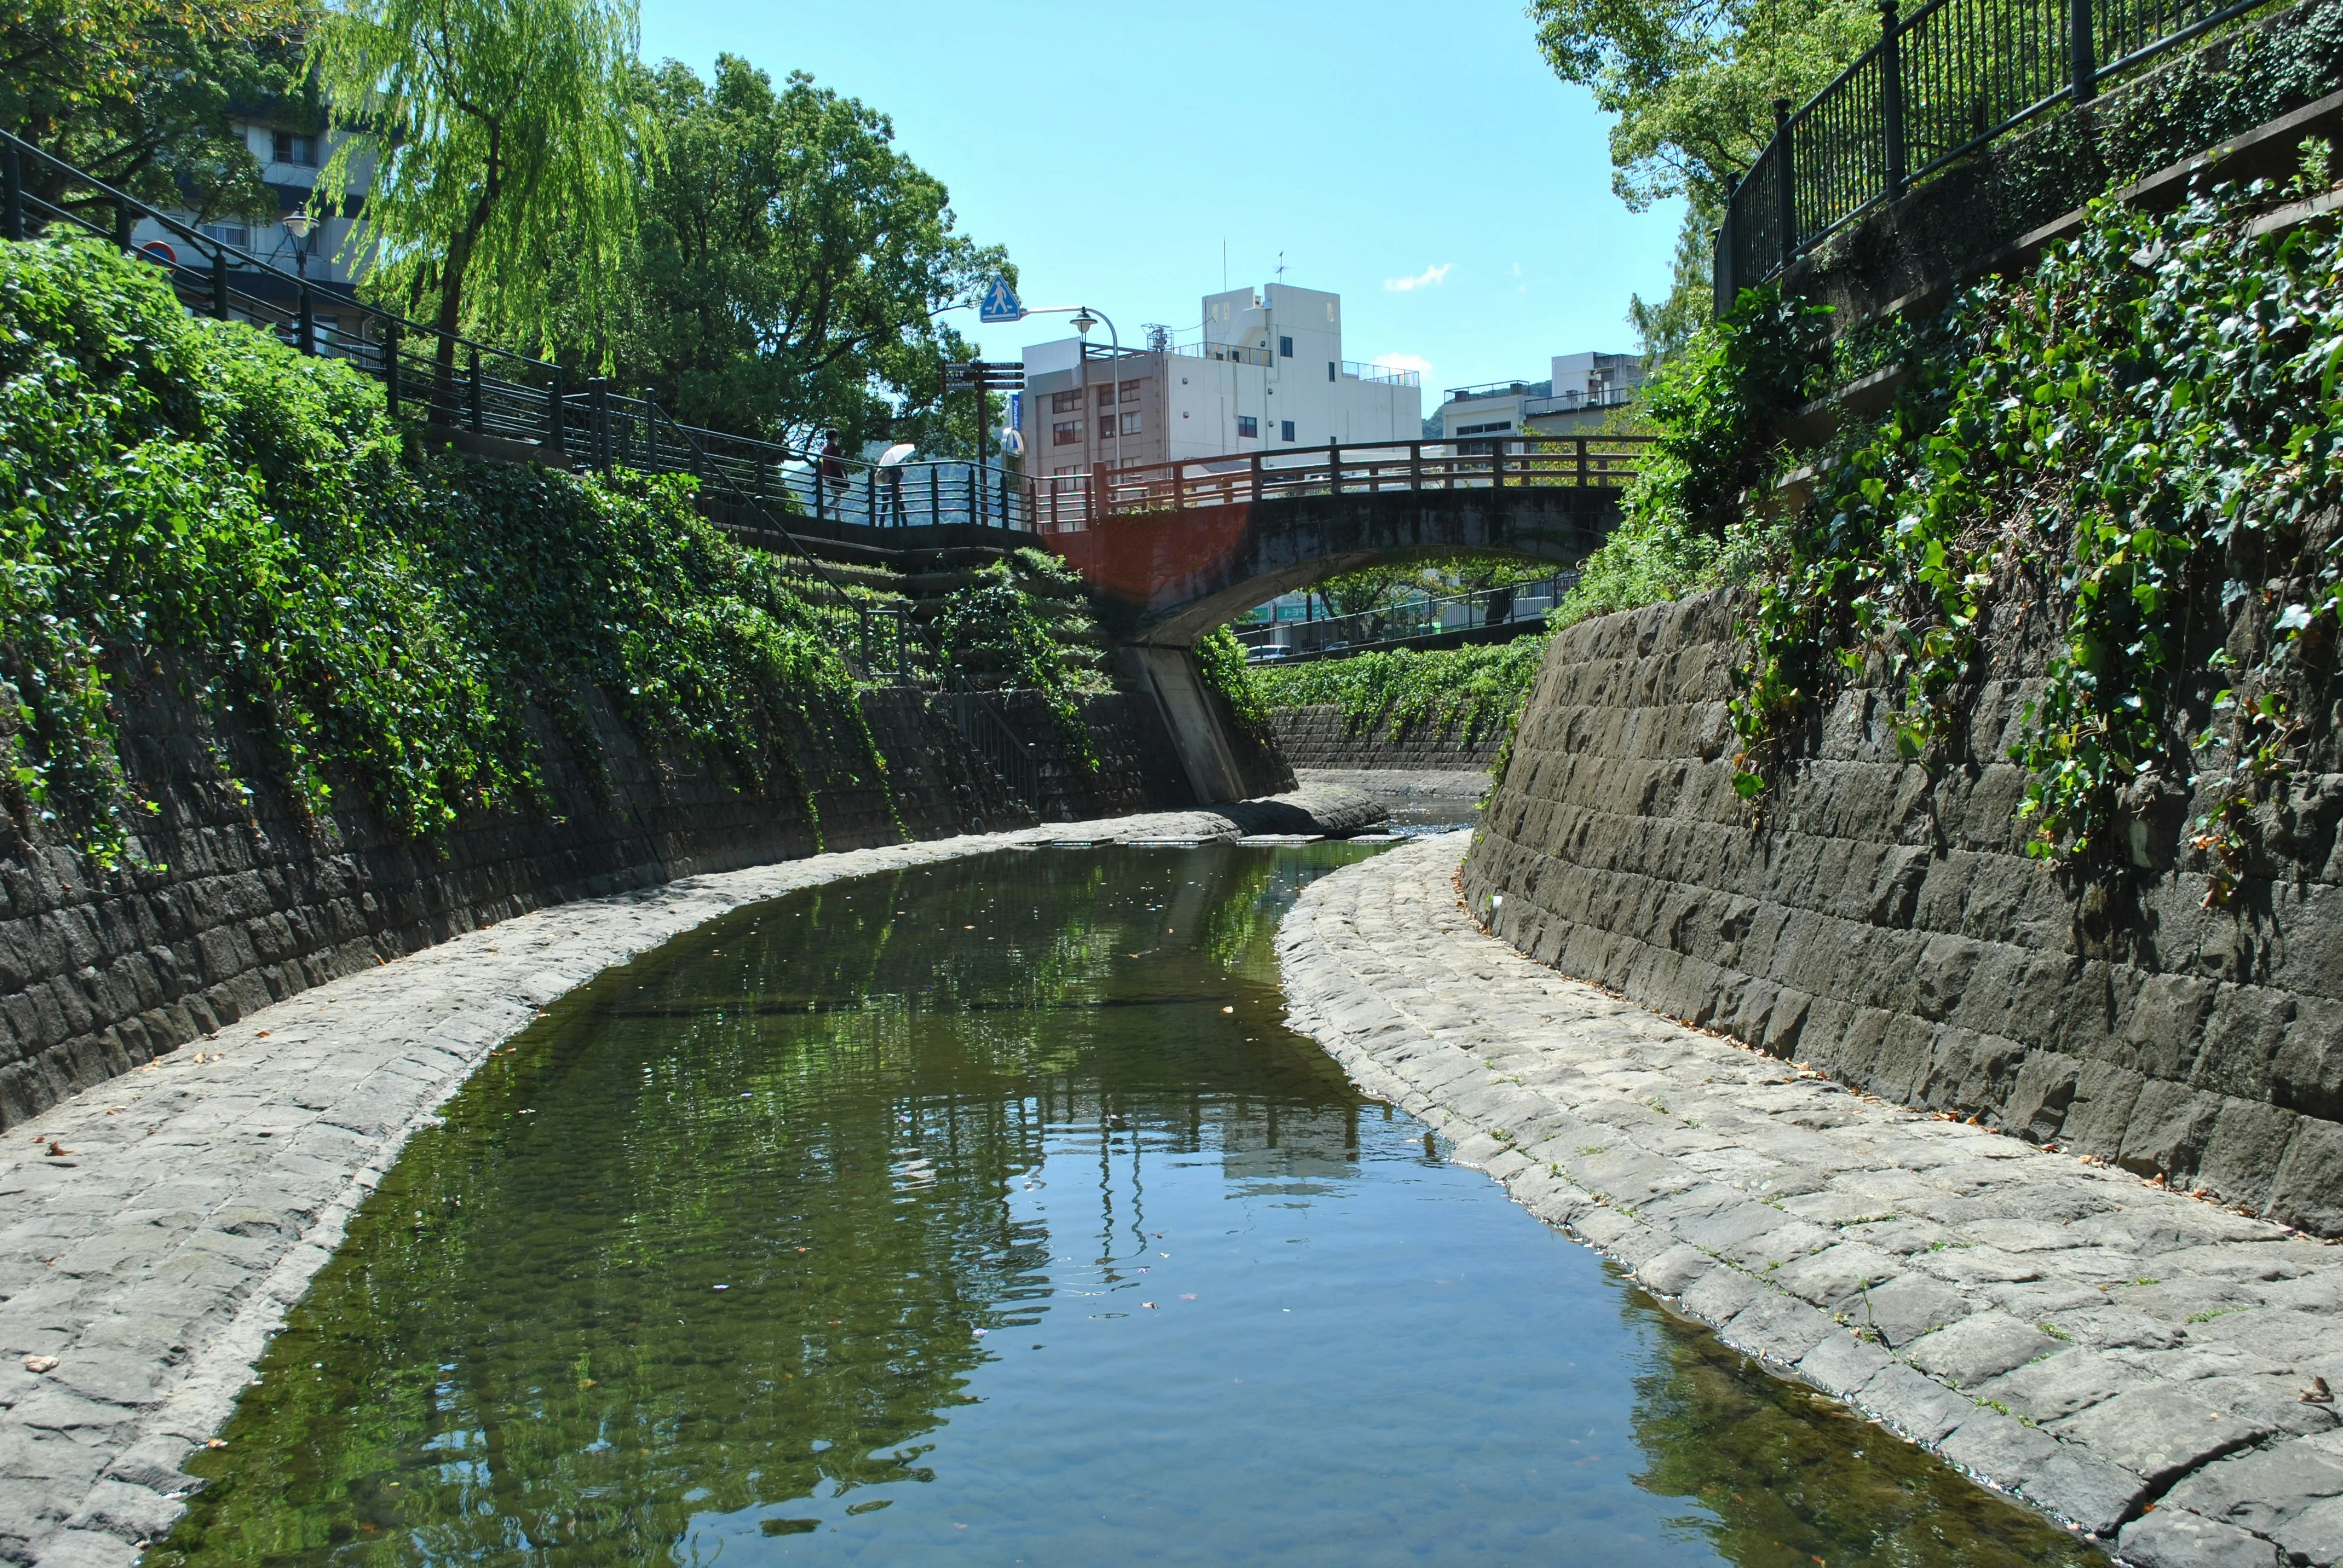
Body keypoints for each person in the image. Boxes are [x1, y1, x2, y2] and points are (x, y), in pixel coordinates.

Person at [818, 430, 848, 516]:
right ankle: (825, 511)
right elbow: (836, 462)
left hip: (826, 475)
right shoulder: (835, 447)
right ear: (834, 437)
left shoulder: (825, 448)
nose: (838, 438)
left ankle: (838, 517)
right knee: (837, 499)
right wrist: (841, 475)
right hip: (834, 475)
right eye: (837, 436)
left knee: (836, 497)